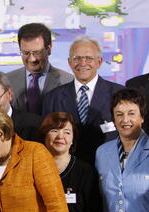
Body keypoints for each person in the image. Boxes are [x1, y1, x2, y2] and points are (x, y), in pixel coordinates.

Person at [42, 35, 124, 164]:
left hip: (109, 169)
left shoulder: (120, 94)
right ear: (69, 62)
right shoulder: (52, 98)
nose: (82, 63)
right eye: (77, 58)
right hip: (67, 171)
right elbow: (45, 140)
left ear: (99, 61)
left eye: (89, 58)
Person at [7, 23, 73, 115]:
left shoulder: (68, 81)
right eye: (26, 53)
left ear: (49, 49)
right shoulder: (6, 81)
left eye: (37, 52)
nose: (32, 59)